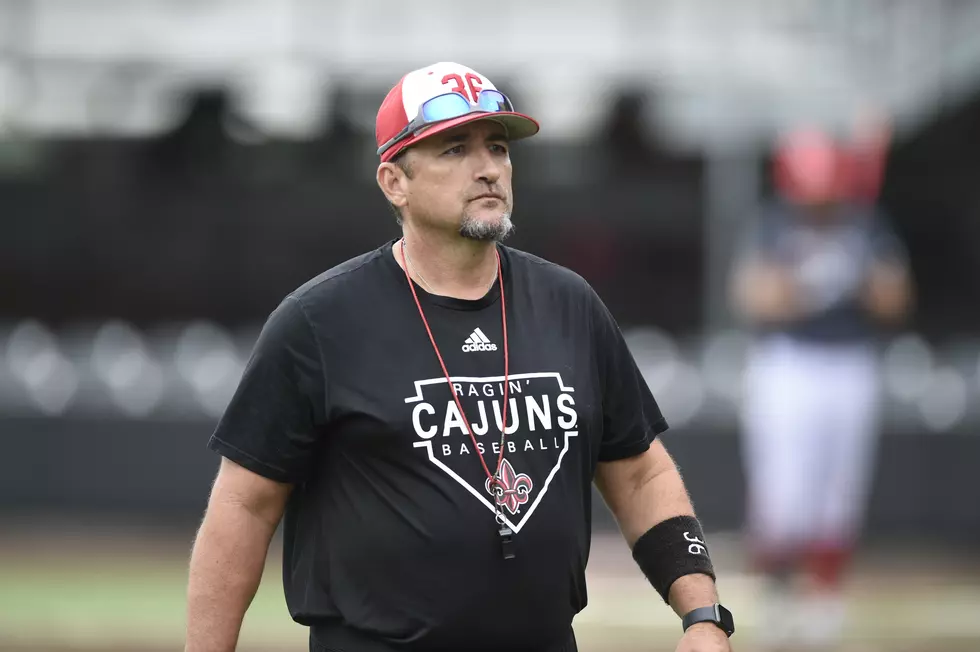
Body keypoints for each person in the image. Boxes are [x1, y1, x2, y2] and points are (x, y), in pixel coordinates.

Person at [184, 61, 735, 652]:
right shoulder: (319, 322)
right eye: (454, 150)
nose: (488, 168)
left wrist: (702, 615)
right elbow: (243, 507)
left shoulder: (569, 304)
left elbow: (640, 471)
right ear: (394, 182)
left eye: (498, 147)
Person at [729, 125, 913, 651]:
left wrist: (855, 277)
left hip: (850, 361)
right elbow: (756, 297)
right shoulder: (774, 222)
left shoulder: (866, 223)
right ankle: (777, 592)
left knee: (840, 490)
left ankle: (825, 595)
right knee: (783, 490)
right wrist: (816, 283)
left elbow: (894, 300)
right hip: (788, 363)